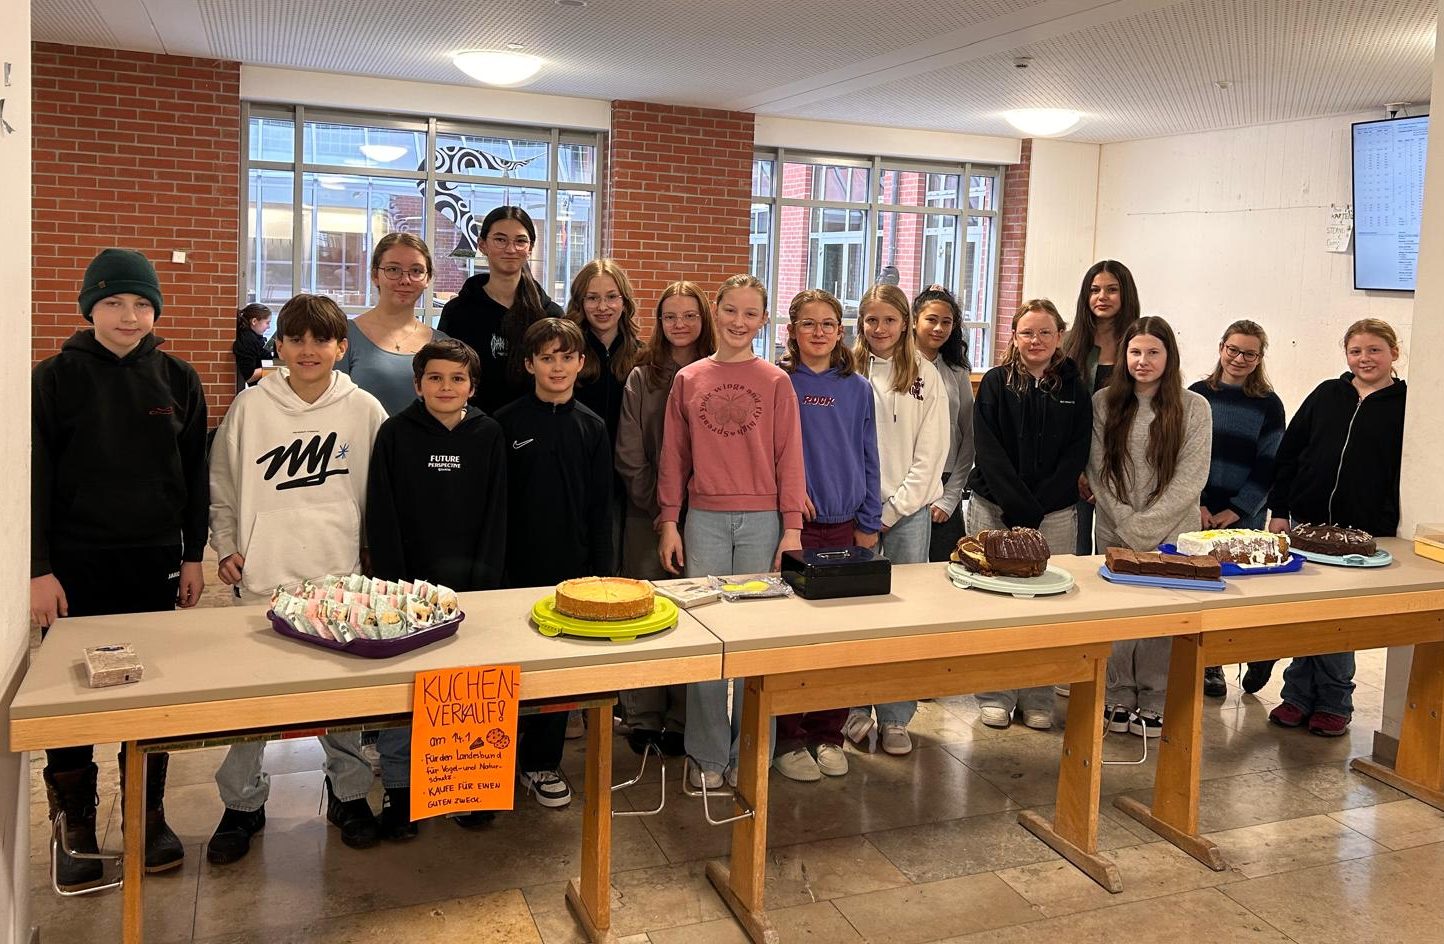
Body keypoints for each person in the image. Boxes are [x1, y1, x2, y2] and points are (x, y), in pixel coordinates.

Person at [31, 248, 206, 889]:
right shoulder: (52, 379)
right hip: (73, 564)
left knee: (150, 689)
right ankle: (75, 821)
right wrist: (37, 568)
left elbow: (196, 476)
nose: (128, 316)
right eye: (113, 302)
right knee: (71, 694)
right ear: (89, 309)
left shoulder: (178, 377)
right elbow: (33, 477)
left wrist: (193, 554)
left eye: (140, 304)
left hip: (154, 558)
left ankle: (147, 813)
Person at [206, 293, 389, 863]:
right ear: (279, 346)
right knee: (254, 693)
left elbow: (383, 490)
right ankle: (242, 802)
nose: (308, 350)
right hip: (264, 574)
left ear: (341, 347)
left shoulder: (364, 409)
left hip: (339, 577)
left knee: (341, 695)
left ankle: (349, 793)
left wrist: (373, 549)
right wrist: (227, 544)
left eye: (321, 340)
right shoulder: (250, 407)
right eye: (296, 339)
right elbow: (222, 482)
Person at [657, 274, 805, 789]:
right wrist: (670, 521)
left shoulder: (776, 381)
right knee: (705, 636)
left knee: (754, 638)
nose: (739, 322)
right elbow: (673, 457)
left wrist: (792, 528)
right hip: (704, 521)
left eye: (750, 313)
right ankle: (706, 752)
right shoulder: (689, 378)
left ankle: (751, 747)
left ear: (763, 320)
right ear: (715, 311)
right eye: (730, 310)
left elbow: (790, 457)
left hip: (763, 523)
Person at [365, 338, 506, 837]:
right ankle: (401, 788)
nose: (446, 387)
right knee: (406, 687)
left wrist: (486, 582)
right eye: (435, 378)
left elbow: (497, 512)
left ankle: (469, 784)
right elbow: (382, 511)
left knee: (468, 688)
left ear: (473, 386)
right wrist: (394, 582)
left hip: (471, 585)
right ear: (417, 384)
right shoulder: (395, 433)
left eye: (457, 379)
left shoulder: (489, 433)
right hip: (408, 586)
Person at [1265, 318, 1406, 737]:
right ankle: (1296, 696)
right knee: (1306, 612)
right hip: (1306, 524)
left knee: (1340, 619)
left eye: (1374, 350)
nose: (1365, 358)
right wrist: (1279, 509)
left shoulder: (1405, 405)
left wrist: (1386, 524)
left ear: (1394, 353)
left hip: (1362, 534)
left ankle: (1333, 702)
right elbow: (1290, 452)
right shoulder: (1327, 394)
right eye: (1356, 351)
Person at [494, 317, 614, 807]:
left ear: (581, 363)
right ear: (529, 364)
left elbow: (601, 508)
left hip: (573, 570)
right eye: (547, 358)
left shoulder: (593, 426)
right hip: (513, 568)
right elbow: (495, 504)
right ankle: (492, 761)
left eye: (566, 357)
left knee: (557, 668)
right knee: (508, 667)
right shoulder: (504, 424)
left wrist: (602, 576)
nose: (557, 367)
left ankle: (541, 762)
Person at [772, 289, 881, 781]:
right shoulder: (779, 382)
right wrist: (790, 498)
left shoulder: (857, 388)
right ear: (792, 331)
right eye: (808, 323)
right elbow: (770, 454)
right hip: (794, 528)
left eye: (827, 324)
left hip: (844, 525)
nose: (818, 332)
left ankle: (827, 732)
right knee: (791, 636)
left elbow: (869, 454)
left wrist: (869, 521)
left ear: (841, 332)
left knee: (837, 638)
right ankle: (787, 736)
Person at [970, 300, 1092, 729]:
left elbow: (1077, 451)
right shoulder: (995, 382)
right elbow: (987, 449)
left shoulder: (1075, 387)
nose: (1035, 340)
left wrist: (1039, 506)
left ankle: (1038, 696)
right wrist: (1019, 505)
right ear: (1014, 336)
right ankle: (996, 694)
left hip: (1053, 512)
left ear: (1060, 336)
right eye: (1027, 332)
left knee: (1047, 606)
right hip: (995, 507)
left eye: (1044, 332)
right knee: (995, 605)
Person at [1088, 316, 1211, 737]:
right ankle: (1118, 690)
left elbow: (1192, 478)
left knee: (1163, 617)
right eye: (1135, 352)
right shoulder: (1104, 402)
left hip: (1173, 532)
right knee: (1119, 613)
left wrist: (1146, 527)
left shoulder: (1195, 407)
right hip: (1114, 528)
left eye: (1153, 352)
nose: (1143, 360)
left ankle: (1157, 695)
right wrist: (1125, 521)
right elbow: (1098, 469)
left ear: (1168, 356)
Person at [842, 283, 949, 756]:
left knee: (903, 618)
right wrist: (865, 513)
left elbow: (931, 454)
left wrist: (889, 512)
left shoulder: (925, 375)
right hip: (854, 513)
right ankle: (853, 708)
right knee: (856, 616)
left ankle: (896, 715)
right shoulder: (848, 371)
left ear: (905, 322)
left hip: (906, 514)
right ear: (860, 323)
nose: (880, 328)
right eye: (871, 320)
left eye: (889, 319)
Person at [613, 281, 715, 756]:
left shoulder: (719, 371)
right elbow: (629, 450)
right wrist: (661, 510)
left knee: (692, 615)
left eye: (689, 315)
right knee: (644, 610)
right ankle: (643, 713)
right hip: (647, 513)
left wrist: (689, 511)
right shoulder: (642, 376)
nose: (680, 324)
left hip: (706, 515)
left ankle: (682, 717)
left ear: (703, 319)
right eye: (670, 316)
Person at [1189, 321, 1287, 697]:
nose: (1239, 358)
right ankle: (1210, 666)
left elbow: (1270, 462)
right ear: (1221, 348)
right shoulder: (1198, 394)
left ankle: (1256, 652)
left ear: (1259, 358)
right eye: (1233, 349)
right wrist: (1197, 502)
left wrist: (1238, 508)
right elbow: (1184, 453)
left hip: (1243, 514)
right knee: (1204, 590)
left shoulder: (1269, 405)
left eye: (1249, 353)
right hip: (1197, 511)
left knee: (1239, 594)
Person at [437, 206, 565, 416]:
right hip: (472, 426)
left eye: (520, 241)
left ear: (530, 248)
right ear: (482, 245)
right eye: (500, 239)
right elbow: (444, 374)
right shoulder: (458, 312)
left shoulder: (550, 316)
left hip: (533, 426)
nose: (511, 249)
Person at [1063, 260, 1141, 555]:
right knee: (1075, 553)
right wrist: (1079, 470)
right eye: (1094, 290)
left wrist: (1104, 474)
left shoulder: (1138, 346)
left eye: (1112, 290)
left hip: (1124, 471)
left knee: (1119, 555)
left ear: (1126, 294)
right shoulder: (1069, 345)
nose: (1102, 297)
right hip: (1073, 468)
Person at [337, 233, 449, 416]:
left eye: (416, 271)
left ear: (428, 279)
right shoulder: (344, 335)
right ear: (375, 275)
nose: (405, 280)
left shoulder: (443, 344)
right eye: (393, 269)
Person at [912, 287, 974, 562]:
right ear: (914, 321)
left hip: (945, 482)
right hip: (905, 482)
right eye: (931, 319)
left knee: (949, 568)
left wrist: (950, 496)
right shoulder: (897, 367)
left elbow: (969, 437)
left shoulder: (957, 372)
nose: (938, 328)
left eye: (946, 322)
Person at [233, 303, 272, 392]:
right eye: (267, 323)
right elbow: (249, 376)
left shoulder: (255, 337)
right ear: (254, 321)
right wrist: (273, 369)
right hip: (260, 388)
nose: (269, 327)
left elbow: (264, 353)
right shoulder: (247, 341)